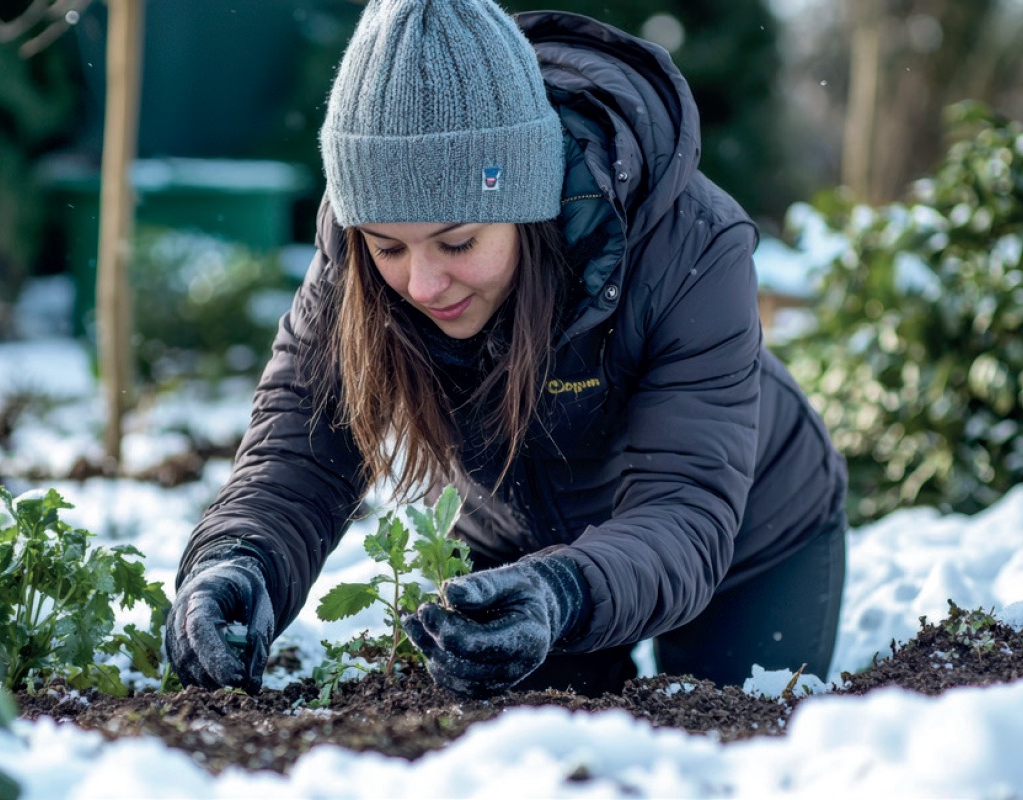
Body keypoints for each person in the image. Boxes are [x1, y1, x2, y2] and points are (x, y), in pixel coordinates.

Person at [165, 0, 848, 698]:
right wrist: (237, 559)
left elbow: (684, 506)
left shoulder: (690, 246)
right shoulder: (357, 263)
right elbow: (302, 448)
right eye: (388, 246)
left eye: (457, 242)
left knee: (732, 726)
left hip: (744, 540)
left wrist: (566, 591)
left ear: (531, 200)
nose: (424, 284)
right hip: (517, 550)